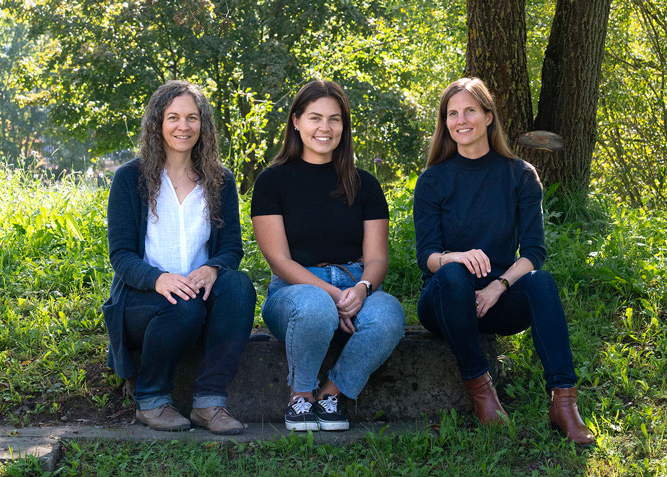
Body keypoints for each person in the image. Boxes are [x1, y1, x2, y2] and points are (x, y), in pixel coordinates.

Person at [412, 77, 594, 445]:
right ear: (444, 122)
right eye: (452, 113)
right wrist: (456, 258)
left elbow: (534, 253)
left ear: (489, 116)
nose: (460, 120)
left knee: (541, 282)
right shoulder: (432, 180)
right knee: (452, 276)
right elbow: (426, 256)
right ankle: (481, 391)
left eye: (470, 111)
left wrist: (499, 285)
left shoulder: (520, 175)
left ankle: (564, 402)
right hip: (445, 300)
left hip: (497, 300)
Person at [251, 80, 405, 431]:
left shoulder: (364, 184)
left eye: (334, 119)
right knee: (315, 305)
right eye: (315, 117)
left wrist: (362, 289)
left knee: (389, 315)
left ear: (344, 126)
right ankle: (300, 397)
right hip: (294, 293)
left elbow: (377, 258)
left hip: (356, 287)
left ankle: (330, 393)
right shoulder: (272, 182)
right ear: (296, 121)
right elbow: (280, 261)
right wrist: (333, 297)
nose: (325, 128)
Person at [103, 80, 255, 434]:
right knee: (181, 305)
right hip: (143, 301)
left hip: (199, 294)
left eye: (192, 118)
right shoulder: (130, 178)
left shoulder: (220, 180)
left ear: (203, 125)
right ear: (158, 122)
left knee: (239, 286)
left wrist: (213, 268)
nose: (183, 126)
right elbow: (121, 255)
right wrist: (158, 279)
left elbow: (231, 246)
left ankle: (209, 404)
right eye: (173, 117)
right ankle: (152, 400)